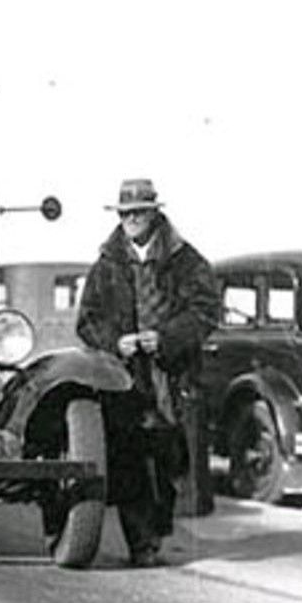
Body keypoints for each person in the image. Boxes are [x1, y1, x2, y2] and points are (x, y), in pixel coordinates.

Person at [75, 178, 219, 567]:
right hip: (123, 377)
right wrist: (115, 341)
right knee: (130, 458)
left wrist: (167, 338)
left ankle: (158, 530)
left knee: (172, 458)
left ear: (154, 213)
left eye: (139, 212)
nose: (132, 220)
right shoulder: (106, 265)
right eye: (125, 213)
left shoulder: (186, 261)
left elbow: (206, 312)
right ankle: (142, 543)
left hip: (173, 376)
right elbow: (87, 321)